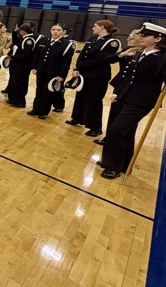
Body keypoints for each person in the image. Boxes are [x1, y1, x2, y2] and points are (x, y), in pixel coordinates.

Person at [98, 23, 166, 179]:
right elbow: (128, 77)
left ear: (157, 39)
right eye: (141, 34)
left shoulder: (162, 58)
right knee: (126, 132)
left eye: (146, 35)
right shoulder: (139, 53)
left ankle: (112, 166)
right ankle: (123, 163)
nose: (141, 37)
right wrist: (118, 93)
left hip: (141, 101)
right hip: (125, 96)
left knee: (116, 130)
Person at [66, 20, 121, 136]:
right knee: (80, 96)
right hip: (85, 73)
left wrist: (80, 66)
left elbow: (100, 60)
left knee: (94, 101)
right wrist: (76, 68)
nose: (92, 28)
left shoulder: (111, 42)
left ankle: (95, 127)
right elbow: (82, 55)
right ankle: (77, 118)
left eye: (95, 26)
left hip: (98, 76)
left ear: (102, 27)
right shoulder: (92, 39)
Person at [93, 29, 143, 146]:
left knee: (125, 116)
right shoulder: (126, 50)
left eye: (131, 38)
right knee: (114, 112)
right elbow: (107, 59)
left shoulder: (143, 54)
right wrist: (122, 54)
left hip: (132, 88)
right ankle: (109, 137)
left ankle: (121, 140)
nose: (128, 39)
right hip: (120, 85)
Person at [28, 24, 76, 119]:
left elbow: (66, 62)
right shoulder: (44, 40)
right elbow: (36, 55)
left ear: (63, 32)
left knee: (48, 92)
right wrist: (34, 67)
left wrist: (61, 75)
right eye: (53, 29)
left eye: (58, 30)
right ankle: (36, 109)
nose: (55, 31)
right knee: (39, 90)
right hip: (41, 70)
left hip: (54, 72)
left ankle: (43, 111)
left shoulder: (66, 44)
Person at [6, 23, 37, 108]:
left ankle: (20, 102)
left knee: (17, 83)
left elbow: (26, 54)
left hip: (22, 65)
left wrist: (14, 57)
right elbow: (16, 41)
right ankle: (13, 99)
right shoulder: (24, 38)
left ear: (23, 31)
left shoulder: (29, 40)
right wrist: (14, 32)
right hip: (17, 63)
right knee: (13, 81)